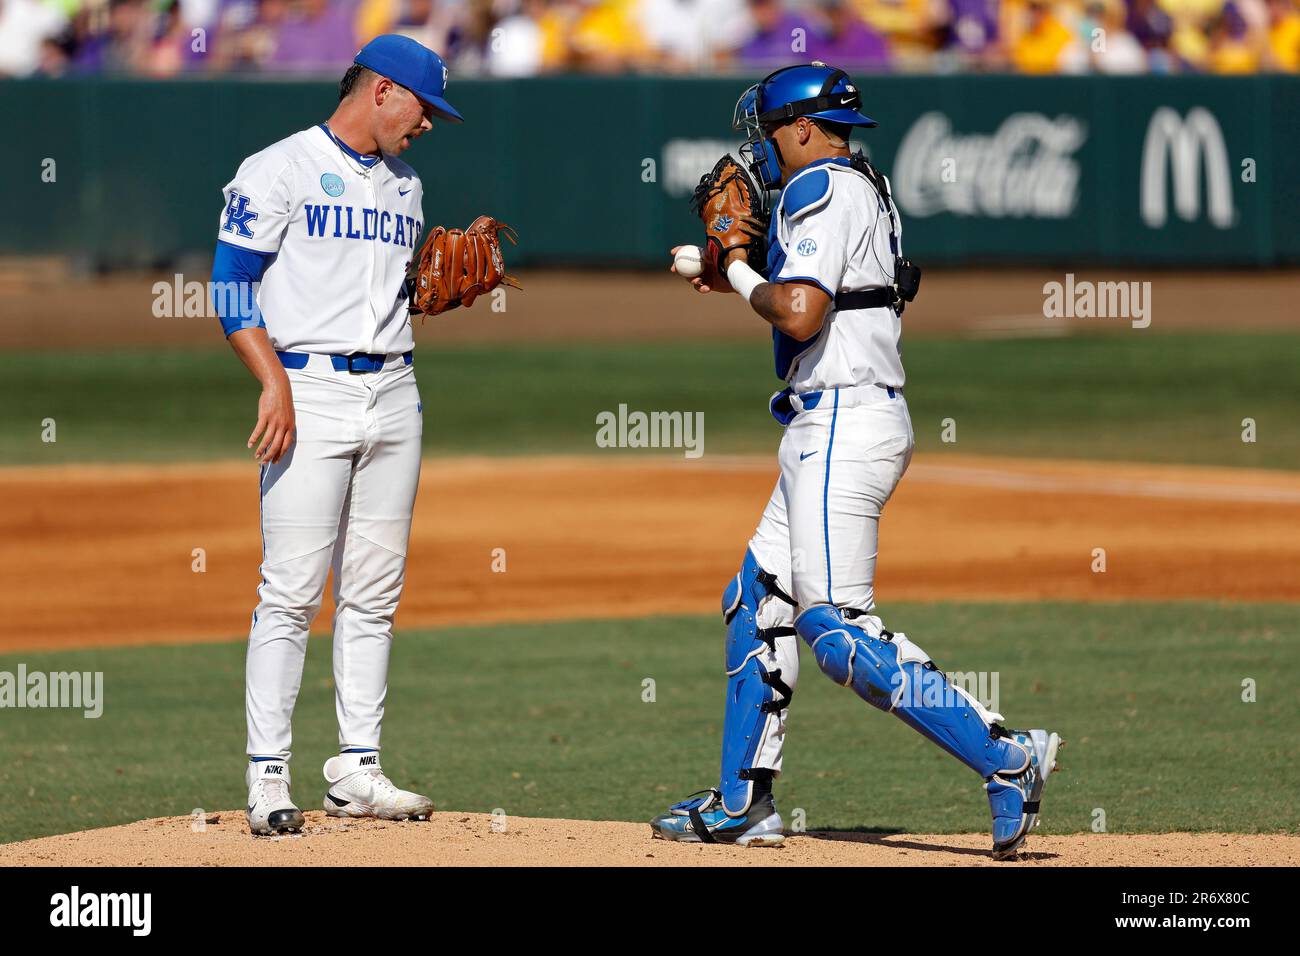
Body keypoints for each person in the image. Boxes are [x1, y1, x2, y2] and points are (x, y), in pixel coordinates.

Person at [651, 62, 1062, 859]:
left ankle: (1008, 757)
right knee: (757, 596)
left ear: (801, 128)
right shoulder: (861, 183)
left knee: (834, 630)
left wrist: (735, 268)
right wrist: (731, 270)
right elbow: (827, 290)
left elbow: (800, 313)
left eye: (768, 135)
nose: (760, 155)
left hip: (843, 421)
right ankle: (744, 801)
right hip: (838, 420)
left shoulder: (818, 190)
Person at [211, 34, 461, 835]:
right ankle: (268, 778)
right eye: (424, 107)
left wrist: (425, 295)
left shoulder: (407, 187)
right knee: (288, 591)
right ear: (383, 91)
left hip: (395, 390)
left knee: (374, 593)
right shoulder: (277, 168)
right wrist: (274, 383)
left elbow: (384, 294)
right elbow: (230, 285)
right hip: (308, 391)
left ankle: (357, 770)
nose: (427, 126)